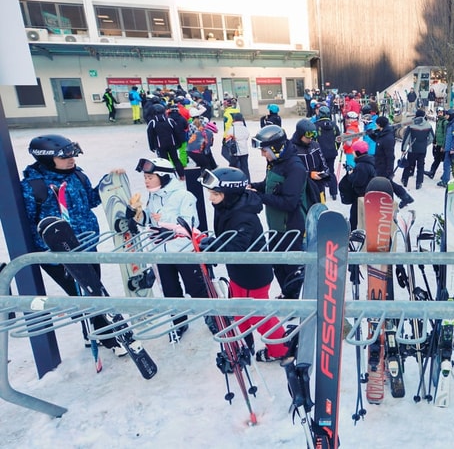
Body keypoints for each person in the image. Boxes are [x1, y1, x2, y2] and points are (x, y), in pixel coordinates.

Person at [20, 135, 123, 350]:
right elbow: (26, 223)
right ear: (47, 159)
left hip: (86, 246)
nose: (71, 159)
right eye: (64, 156)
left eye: (72, 154)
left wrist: (109, 181)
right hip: (58, 255)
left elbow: (92, 200)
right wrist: (47, 248)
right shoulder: (33, 187)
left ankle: (91, 331)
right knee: (87, 295)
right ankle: (108, 338)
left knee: (93, 291)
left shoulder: (77, 176)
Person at [199, 167, 290, 362]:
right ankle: (243, 344)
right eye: (210, 193)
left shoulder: (244, 216)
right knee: (239, 312)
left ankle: (281, 350)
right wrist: (212, 241)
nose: (210, 198)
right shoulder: (227, 206)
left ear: (230, 194)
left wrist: (213, 247)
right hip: (239, 274)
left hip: (252, 276)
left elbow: (236, 246)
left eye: (215, 194)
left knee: (260, 316)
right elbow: (228, 236)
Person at [133, 157, 208, 341]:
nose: (146, 180)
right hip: (161, 251)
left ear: (163, 176)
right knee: (170, 289)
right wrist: (140, 215)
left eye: (150, 177)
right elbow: (152, 222)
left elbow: (191, 222)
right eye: (145, 177)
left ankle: (213, 317)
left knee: (196, 287)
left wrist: (166, 224)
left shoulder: (183, 195)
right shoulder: (154, 195)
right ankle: (178, 322)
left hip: (182, 250)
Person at [251, 125, 306, 299]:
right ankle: (287, 295)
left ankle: (292, 300)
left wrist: (260, 197)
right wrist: (253, 187)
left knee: (290, 267)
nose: (263, 154)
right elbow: (269, 184)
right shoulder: (275, 162)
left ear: (276, 148)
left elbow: (289, 203)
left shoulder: (295, 167)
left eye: (264, 151)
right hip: (276, 225)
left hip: (290, 226)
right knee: (276, 263)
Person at [371, 115, 414, 207]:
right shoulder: (383, 133)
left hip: (384, 165)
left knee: (386, 184)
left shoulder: (388, 138)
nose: (376, 126)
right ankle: (405, 197)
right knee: (387, 183)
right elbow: (379, 140)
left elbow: (390, 156)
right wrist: (371, 135)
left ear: (380, 125)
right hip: (379, 163)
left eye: (376, 124)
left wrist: (389, 170)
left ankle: (392, 202)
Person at [146, 102, 186, 179]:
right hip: (172, 144)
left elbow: (150, 136)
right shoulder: (170, 121)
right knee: (176, 159)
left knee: (165, 162)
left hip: (160, 146)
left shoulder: (152, 122)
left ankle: (170, 176)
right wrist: (179, 143)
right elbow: (177, 132)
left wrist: (152, 147)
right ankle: (182, 175)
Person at [292, 118, 329, 201]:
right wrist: (309, 174)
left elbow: (324, 164)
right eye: (308, 136)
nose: (310, 139)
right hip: (302, 190)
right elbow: (292, 171)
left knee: (320, 210)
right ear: (300, 135)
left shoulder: (315, 145)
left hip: (318, 187)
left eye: (313, 135)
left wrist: (324, 174)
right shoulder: (292, 149)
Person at [346, 140, 377, 230]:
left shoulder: (361, 165)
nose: (352, 152)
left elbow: (359, 182)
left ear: (358, 153)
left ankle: (353, 232)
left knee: (355, 215)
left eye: (353, 151)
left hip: (362, 195)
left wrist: (351, 175)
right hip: (367, 194)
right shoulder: (368, 161)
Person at [401, 109, 434, 190]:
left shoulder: (411, 124)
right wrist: (425, 144)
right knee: (421, 166)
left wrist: (403, 149)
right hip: (422, 150)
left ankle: (405, 180)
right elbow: (432, 138)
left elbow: (406, 138)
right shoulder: (428, 125)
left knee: (408, 164)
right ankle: (419, 183)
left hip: (412, 149)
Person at [314, 105, 340, 200]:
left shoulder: (316, 125)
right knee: (331, 171)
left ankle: (322, 195)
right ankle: (334, 193)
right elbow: (339, 139)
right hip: (332, 153)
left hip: (320, 153)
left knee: (322, 172)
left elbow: (313, 140)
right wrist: (336, 148)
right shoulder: (334, 125)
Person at [438, 108, 454, 186]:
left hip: (452, 149)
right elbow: (447, 137)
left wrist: (452, 148)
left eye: (447, 115)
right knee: (452, 164)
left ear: (451, 115)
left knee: (448, 164)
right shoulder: (450, 123)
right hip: (449, 148)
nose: (446, 116)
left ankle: (446, 180)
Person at [226, 112, 252, 180]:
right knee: (245, 167)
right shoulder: (244, 128)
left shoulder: (232, 128)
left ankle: (233, 180)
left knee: (233, 167)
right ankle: (247, 181)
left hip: (235, 151)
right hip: (244, 151)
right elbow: (247, 136)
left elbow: (227, 139)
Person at [426, 106, 447, 179]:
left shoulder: (444, 122)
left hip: (442, 145)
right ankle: (432, 172)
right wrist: (434, 141)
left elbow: (445, 134)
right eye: (438, 112)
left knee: (445, 160)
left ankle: (445, 175)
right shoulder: (439, 121)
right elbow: (437, 132)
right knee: (437, 159)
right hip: (438, 144)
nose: (440, 114)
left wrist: (443, 146)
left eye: (441, 112)